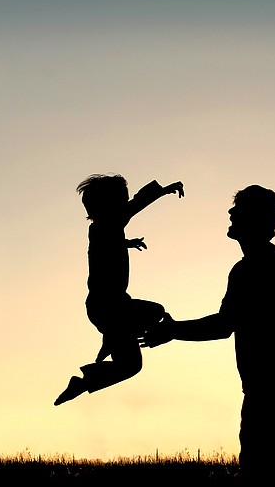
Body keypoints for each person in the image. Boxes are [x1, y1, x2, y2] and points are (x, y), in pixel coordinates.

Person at [143, 184, 275, 486]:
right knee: (263, 461)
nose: (231, 213)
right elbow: (226, 323)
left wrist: (172, 330)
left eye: (239, 209)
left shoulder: (258, 265)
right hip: (273, 381)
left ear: (255, 218)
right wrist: (174, 330)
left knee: (260, 464)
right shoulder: (259, 262)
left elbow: (223, 326)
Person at [54, 173, 184, 406]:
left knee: (131, 366)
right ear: (110, 204)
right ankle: (113, 336)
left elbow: (105, 244)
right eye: (122, 199)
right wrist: (163, 190)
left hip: (106, 307)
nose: (126, 204)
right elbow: (137, 203)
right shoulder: (111, 222)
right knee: (156, 312)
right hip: (110, 306)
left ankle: (84, 382)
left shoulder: (100, 229)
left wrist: (127, 243)